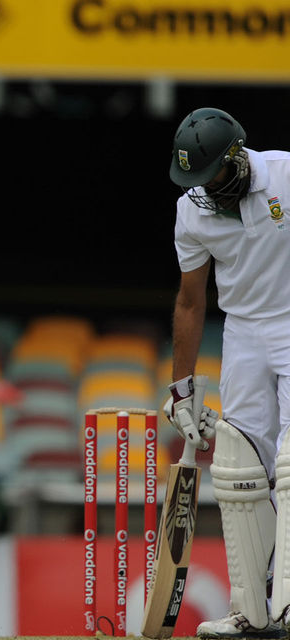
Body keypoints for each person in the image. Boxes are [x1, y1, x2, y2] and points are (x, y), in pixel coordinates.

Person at [165, 107, 290, 639]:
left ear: (237, 156)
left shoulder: (283, 173)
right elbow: (191, 303)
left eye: (211, 173)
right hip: (242, 334)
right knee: (240, 472)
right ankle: (253, 610)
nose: (204, 189)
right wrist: (182, 389)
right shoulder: (190, 211)